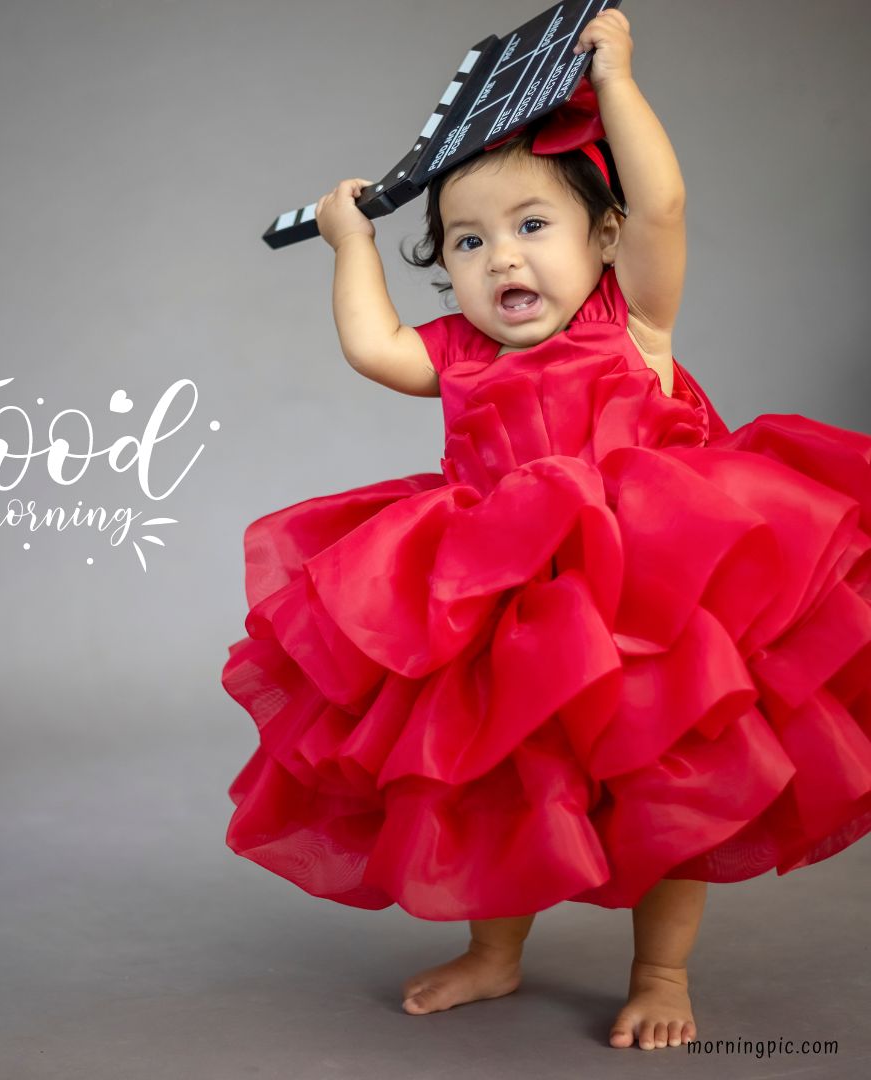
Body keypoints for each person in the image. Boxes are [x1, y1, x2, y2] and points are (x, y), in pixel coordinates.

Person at [221, 7, 871, 1052]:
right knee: (500, 781)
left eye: (533, 226)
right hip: (510, 612)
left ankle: (661, 972)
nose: (500, 260)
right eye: (468, 242)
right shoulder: (462, 355)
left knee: (671, 785)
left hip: (654, 608)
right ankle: (494, 953)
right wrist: (351, 246)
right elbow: (375, 347)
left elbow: (664, 200)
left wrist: (614, 77)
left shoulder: (634, 319)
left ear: (602, 239)